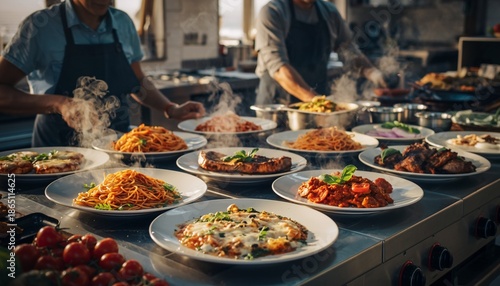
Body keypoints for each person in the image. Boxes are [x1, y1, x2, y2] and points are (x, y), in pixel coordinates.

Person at [0, 0, 205, 147]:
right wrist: (60, 103)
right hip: (59, 151)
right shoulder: (40, 27)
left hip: (118, 146)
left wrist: (170, 108)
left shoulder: (123, 23)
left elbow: (138, 82)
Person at [254, 0, 387, 105]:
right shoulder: (273, 12)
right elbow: (279, 69)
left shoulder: (330, 13)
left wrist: (373, 73)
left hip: (316, 104)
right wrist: (318, 103)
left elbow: (349, 52)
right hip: (277, 106)